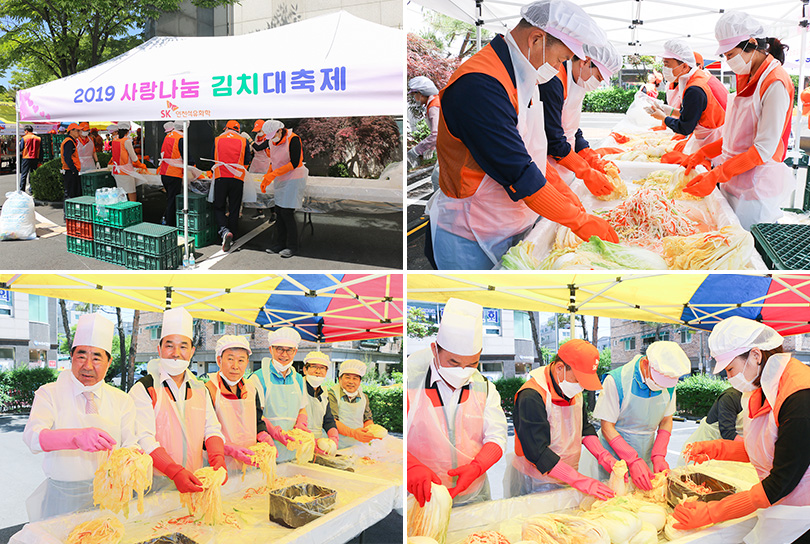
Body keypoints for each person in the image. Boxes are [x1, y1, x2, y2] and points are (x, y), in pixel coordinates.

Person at [428, 0, 618, 270]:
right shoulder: (479, 84)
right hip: (472, 231)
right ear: (536, 39)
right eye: (561, 59)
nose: (559, 68)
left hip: (509, 223)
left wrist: (563, 192)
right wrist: (578, 220)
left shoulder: (524, 75)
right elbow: (519, 171)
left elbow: (531, 151)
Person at [674, 317, 810, 544]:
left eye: (730, 369)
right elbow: (765, 448)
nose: (729, 378)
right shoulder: (760, 388)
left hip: (801, 514)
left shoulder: (799, 397)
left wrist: (712, 513)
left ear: (755, 355)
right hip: (778, 505)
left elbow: (781, 482)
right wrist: (716, 449)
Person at [681, 11, 794, 228]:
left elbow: (762, 150)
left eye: (730, 54)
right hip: (732, 180)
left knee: (743, 242)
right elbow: (737, 136)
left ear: (752, 43)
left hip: (756, 189)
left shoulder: (775, 82)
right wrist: (703, 153)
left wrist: (717, 174)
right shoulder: (748, 75)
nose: (728, 61)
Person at [22, 313, 139, 521]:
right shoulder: (49, 393)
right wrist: (75, 437)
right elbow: (32, 437)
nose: (88, 366)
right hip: (62, 498)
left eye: (97, 358)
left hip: (110, 498)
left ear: (109, 362)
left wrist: (132, 461)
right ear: (72, 356)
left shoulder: (122, 400)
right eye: (81, 356)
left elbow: (131, 444)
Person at [406, 298, 508, 507]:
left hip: (474, 494)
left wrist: (477, 467)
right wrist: (410, 467)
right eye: (453, 362)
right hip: (423, 497)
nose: (462, 371)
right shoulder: (410, 383)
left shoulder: (484, 388)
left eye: (472, 364)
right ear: (434, 350)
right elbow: (392, 440)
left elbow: (497, 437)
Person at [129, 308, 227, 493]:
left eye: (183, 346)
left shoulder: (200, 389)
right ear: (159, 349)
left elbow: (212, 429)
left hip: (195, 479)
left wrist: (218, 458)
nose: (176, 353)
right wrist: (174, 471)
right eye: (169, 346)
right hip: (154, 484)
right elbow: (143, 438)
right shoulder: (145, 389)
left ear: (192, 351)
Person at [507, 339, 617, 500]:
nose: (581, 387)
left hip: (568, 476)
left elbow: (584, 428)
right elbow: (538, 452)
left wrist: (603, 455)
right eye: (579, 380)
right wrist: (580, 480)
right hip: (534, 481)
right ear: (560, 368)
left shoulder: (573, 390)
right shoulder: (531, 395)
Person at [593, 341, 691, 490]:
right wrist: (632, 459)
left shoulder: (669, 382)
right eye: (658, 382)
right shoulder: (616, 381)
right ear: (645, 364)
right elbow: (607, 427)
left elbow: (666, 420)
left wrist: (659, 455)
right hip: (615, 457)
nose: (661, 388)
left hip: (646, 455)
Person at [543, 40, 623, 190]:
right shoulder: (553, 82)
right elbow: (553, 139)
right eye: (598, 77)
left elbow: (570, 127)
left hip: (565, 169)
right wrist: (585, 172)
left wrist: (590, 157)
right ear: (585, 61)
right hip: (546, 170)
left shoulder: (578, 80)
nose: (597, 84)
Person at [204, 335, 281, 474]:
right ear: (219, 360)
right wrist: (228, 448)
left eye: (241, 360)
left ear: (247, 362)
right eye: (230, 359)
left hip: (250, 463)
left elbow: (258, 421)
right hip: (219, 467)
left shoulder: (251, 389)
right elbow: (202, 433)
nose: (235, 366)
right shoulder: (208, 390)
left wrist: (264, 435)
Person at [646, 39, 727, 160]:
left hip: (713, 141)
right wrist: (669, 111)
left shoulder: (694, 89)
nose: (664, 69)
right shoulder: (701, 76)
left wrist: (663, 118)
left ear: (684, 66)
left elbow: (685, 127)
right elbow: (695, 113)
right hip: (717, 136)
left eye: (667, 65)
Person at [246, 327, 312, 463]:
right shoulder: (258, 378)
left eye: (289, 350)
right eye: (279, 349)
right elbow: (255, 415)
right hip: (268, 450)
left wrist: (301, 423)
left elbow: (302, 408)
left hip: (293, 450)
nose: (284, 354)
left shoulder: (298, 379)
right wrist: (274, 432)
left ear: (295, 351)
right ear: (271, 349)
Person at [260, 120, 307, 259]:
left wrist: (273, 174)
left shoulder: (293, 139)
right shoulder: (271, 142)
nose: (272, 139)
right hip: (280, 178)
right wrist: (267, 176)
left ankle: (292, 247)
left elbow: (295, 163)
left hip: (294, 178)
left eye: (274, 135)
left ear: (280, 130)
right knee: (279, 211)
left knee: (287, 212)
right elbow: (273, 162)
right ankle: (279, 244)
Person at [212, 120, 252, 252]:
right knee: (234, 207)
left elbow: (213, 157)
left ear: (226, 128)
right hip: (237, 178)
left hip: (221, 176)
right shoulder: (243, 140)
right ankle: (233, 234)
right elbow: (247, 160)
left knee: (219, 206)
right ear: (238, 130)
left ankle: (224, 231)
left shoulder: (218, 139)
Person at [678, 386, 743, 465]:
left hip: (729, 451)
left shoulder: (754, 398)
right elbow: (728, 433)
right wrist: (751, 447)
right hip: (705, 447)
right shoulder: (730, 397)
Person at [328, 359, 377, 448]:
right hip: (336, 444)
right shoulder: (332, 394)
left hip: (358, 445)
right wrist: (353, 433)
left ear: (359, 382)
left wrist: (371, 431)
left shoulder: (364, 397)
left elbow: (367, 419)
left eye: (355, 378)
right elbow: (332, 420)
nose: (351, 381)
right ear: (340, 379)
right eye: (347, 377)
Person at [301, 351, 340, 455]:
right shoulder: (297, 388)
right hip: (299, 443)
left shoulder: (324, 393)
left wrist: (334, 436)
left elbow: (328, 420)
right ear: (305, 369)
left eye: (322, 368)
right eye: (314, 366)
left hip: (318, 446)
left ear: (326, 372)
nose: (318, 371)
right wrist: (309, 441)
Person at [407, 76, 441, 190]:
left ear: (420, 93)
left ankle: (441, 202)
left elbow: (436, 133)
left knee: (437, 179)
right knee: (439, 179)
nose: (414, 98)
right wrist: (431, 147)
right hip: (449, 148)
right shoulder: (435, 102)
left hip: (450, 148)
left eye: (414, 94)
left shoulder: (434, 106)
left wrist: (416, 150)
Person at [110, 121, 146, 202]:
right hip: (125, 171)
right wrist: (140, 165)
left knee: (121, 193)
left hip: (116, 171)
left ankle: (122, 208)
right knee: (131, 192)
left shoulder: (114, 139)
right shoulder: (126, 141)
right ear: (128, 130)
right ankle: (132, 208)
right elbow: (134, 157)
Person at [158, 121, 185, 226]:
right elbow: (186, 156)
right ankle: (170, 224)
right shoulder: (180, 138)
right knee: (172, 200)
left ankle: (166, 219)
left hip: (164, 172)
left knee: (170, 199)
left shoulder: (168, 137)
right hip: (174, 173)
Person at [60, 123, 82, 200]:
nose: (79, 132)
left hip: (70, 170)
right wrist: (74, 170)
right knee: (71, 194)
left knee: (73, 193)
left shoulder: (71, 141)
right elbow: (67, 158)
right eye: (77, 131)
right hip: (70, 171)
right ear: (71, 131)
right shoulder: (69, 142)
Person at [19, 125, 41, 193]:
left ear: (26, 131)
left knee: (24, 174)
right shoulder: (38, 138)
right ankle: (32, 189)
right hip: (35, 157)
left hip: (26, 157)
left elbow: (21, 148)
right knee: (33, 174)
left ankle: (22, 190)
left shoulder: (24, 138)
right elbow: (41, 150)